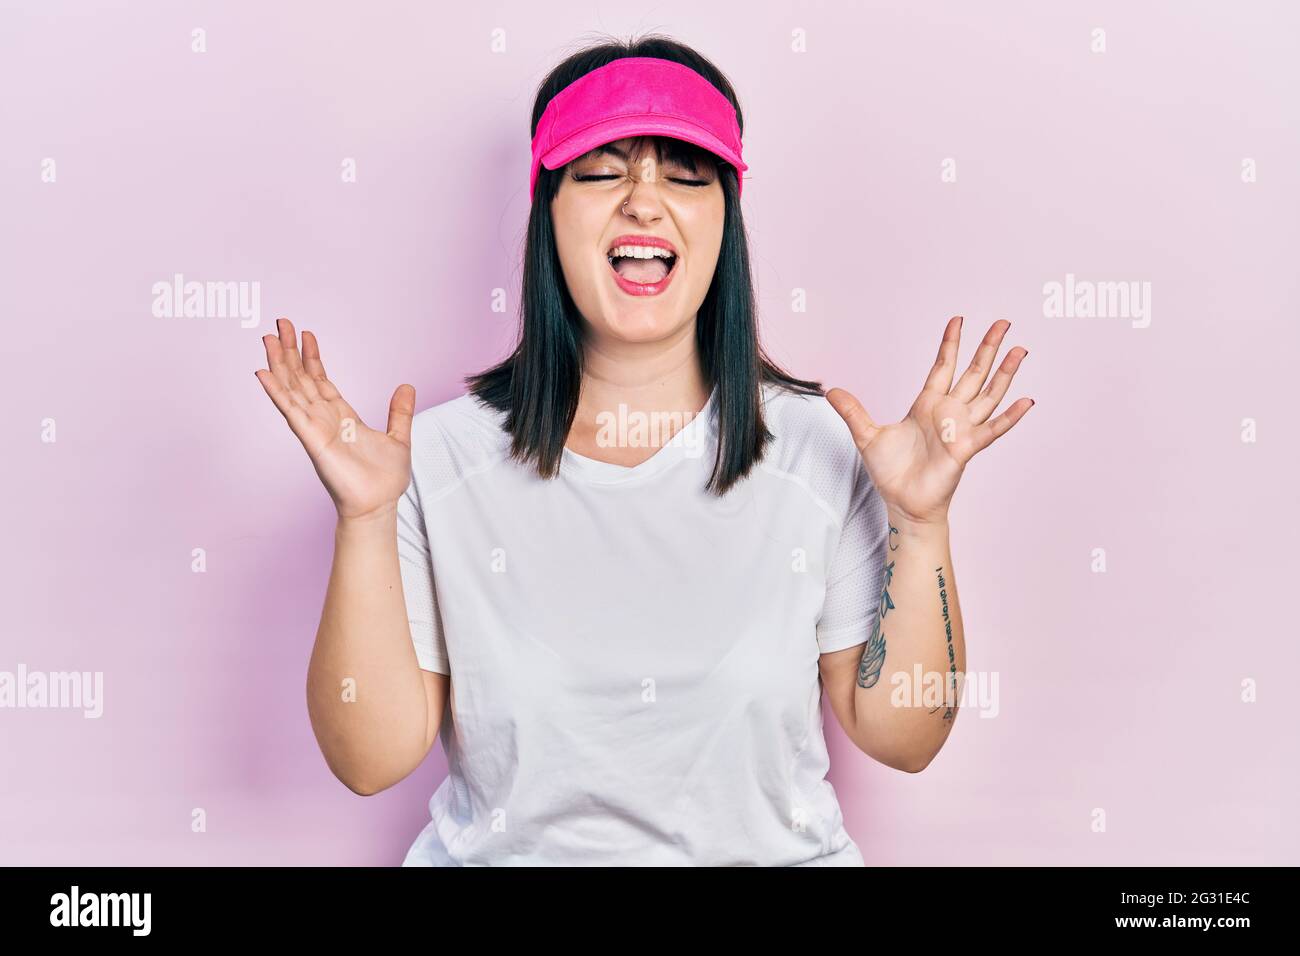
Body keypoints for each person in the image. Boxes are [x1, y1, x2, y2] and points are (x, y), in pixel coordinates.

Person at [254, 35, 1033, 866]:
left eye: (686, 175)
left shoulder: (819, 449)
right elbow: (368, 761)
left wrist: (922, 523)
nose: (644, 202)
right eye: (601, 172)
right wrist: (366, 518)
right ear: (546, 211)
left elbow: (905, 738)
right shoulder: (431, 462)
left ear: (725, 219)